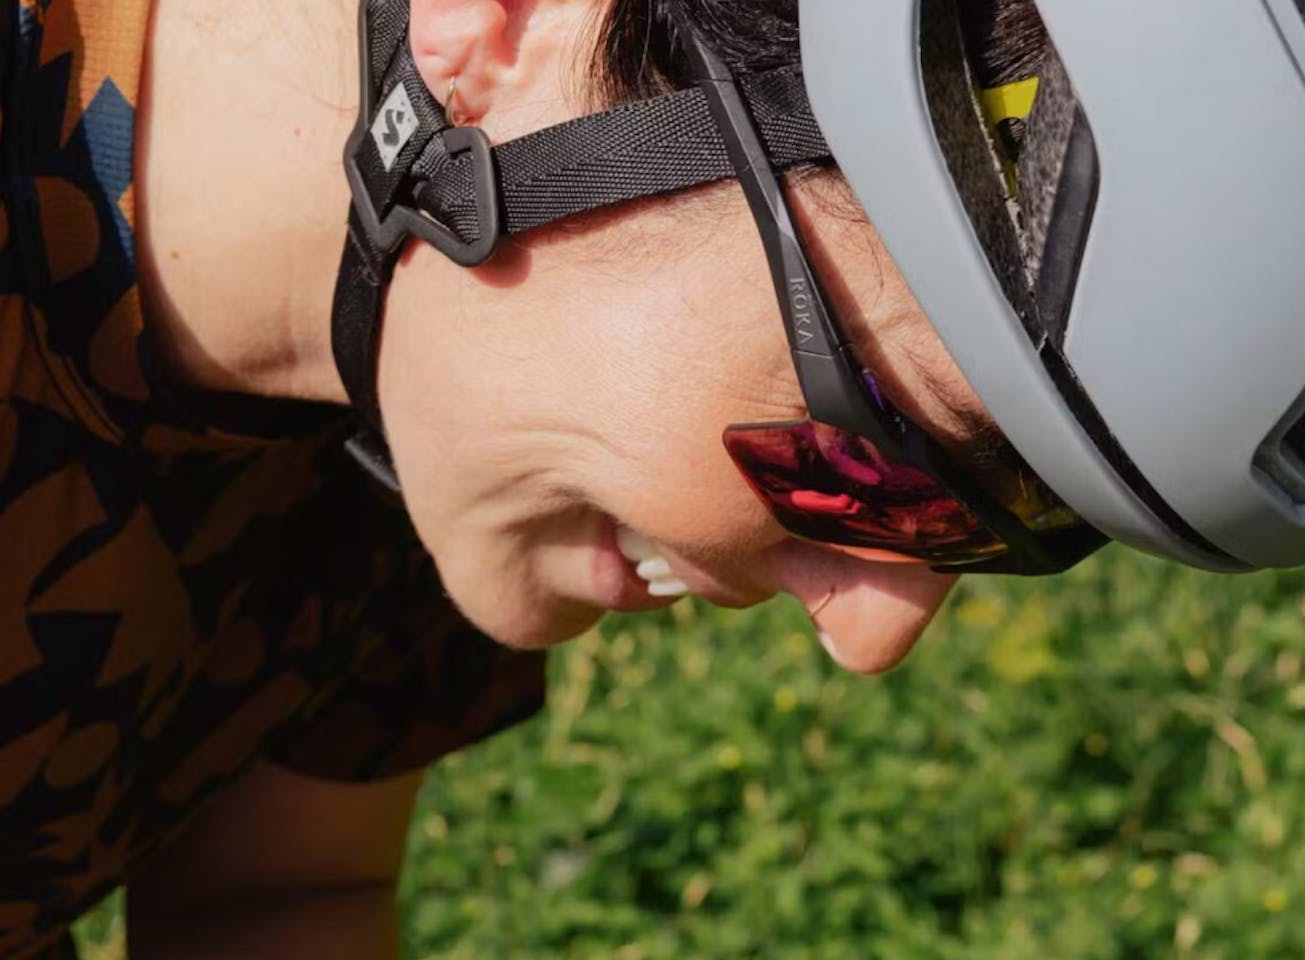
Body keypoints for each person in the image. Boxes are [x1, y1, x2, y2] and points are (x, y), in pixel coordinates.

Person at [4, 0, 1303, 956]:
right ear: (508, 23)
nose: (870, 630)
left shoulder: (437, 394)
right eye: (874, 461)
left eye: (1002, 530)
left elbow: (273, 898)